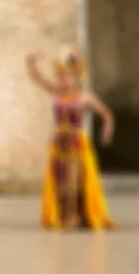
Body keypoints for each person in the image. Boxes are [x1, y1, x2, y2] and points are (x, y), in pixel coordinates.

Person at [26, 47, 115, 230]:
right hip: (59, 142)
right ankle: (63, 216)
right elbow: (38, 79)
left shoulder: (84, 97)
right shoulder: (57, 93)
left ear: (76, 78)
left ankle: (80, 216)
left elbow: (106, 114)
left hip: (76, 142)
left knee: (77, 178)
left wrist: (107, 128)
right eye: (61, 76)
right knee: (60, 178)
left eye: (68, 77)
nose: (64, 81)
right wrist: (32, 63)